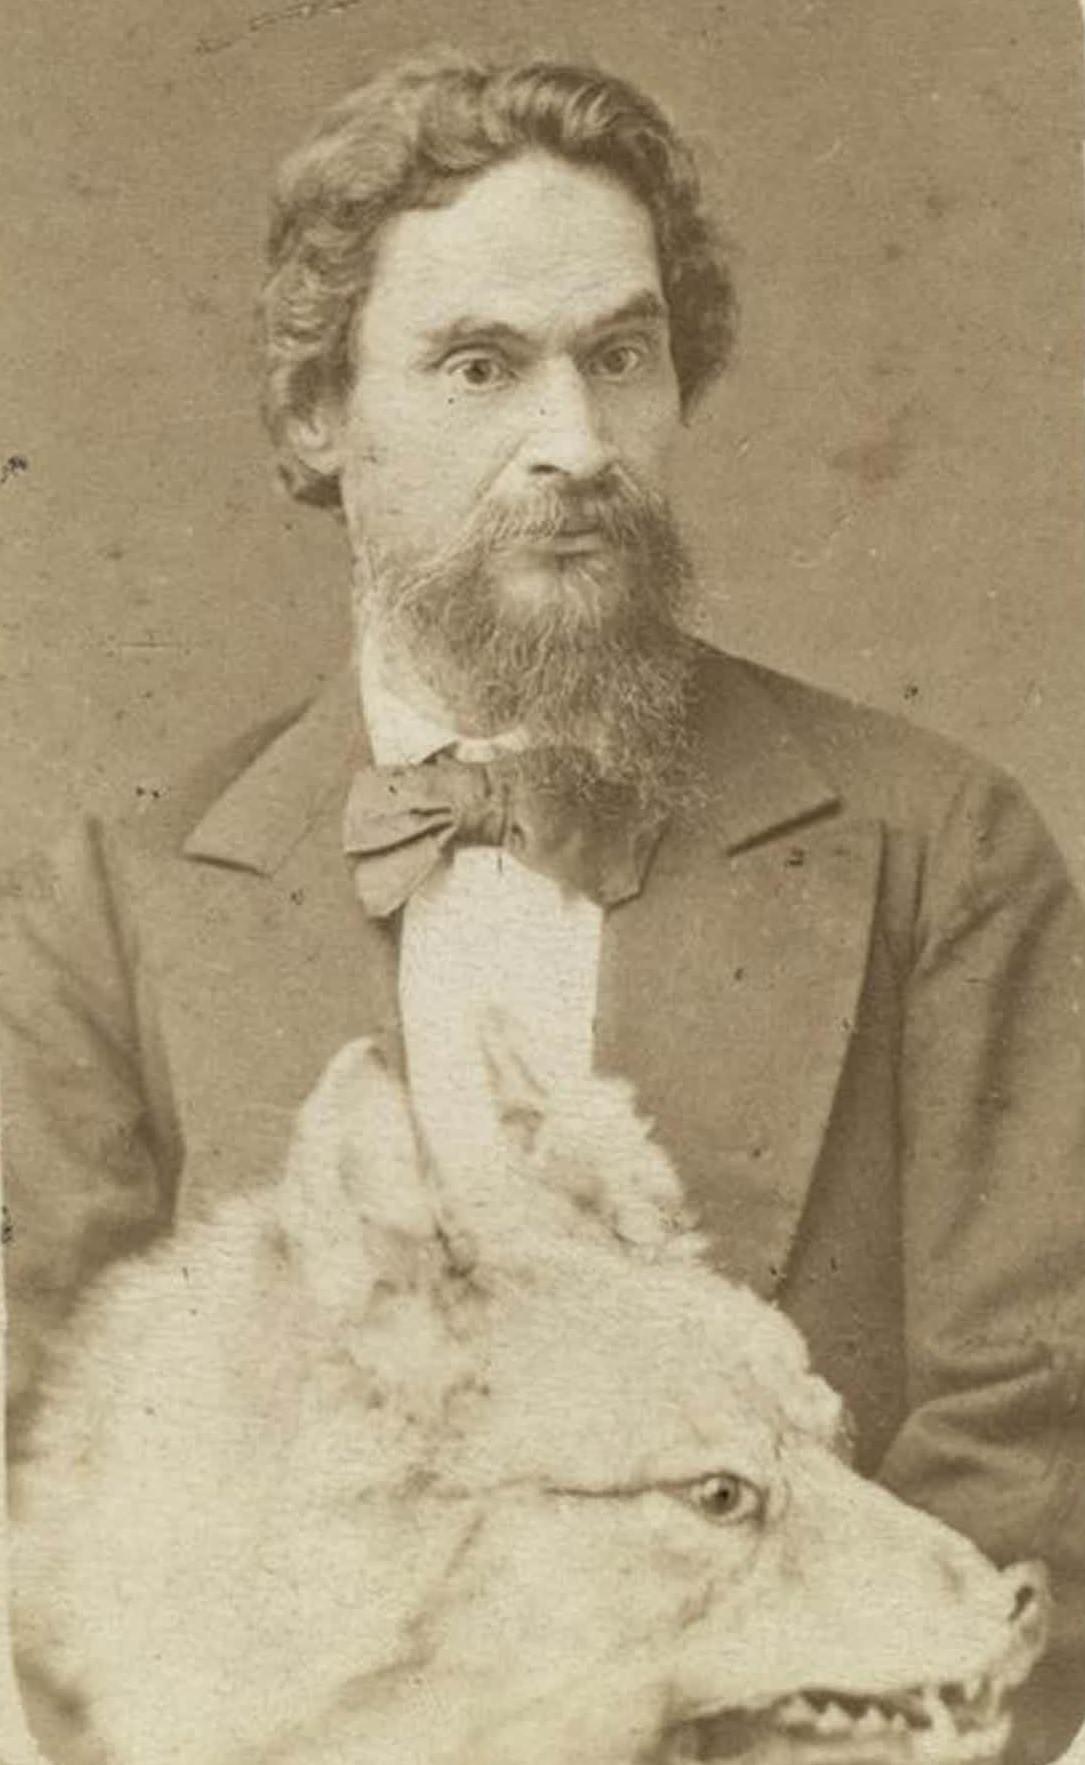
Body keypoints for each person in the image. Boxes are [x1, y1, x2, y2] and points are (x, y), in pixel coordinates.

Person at [2, 51, 1084, 1763]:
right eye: (479, 365)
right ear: (316, 416)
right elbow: (49, 1498)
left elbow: (1038, 1423)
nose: (572, 441)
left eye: (620, 355)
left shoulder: (940, 849)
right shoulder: (109, 903)